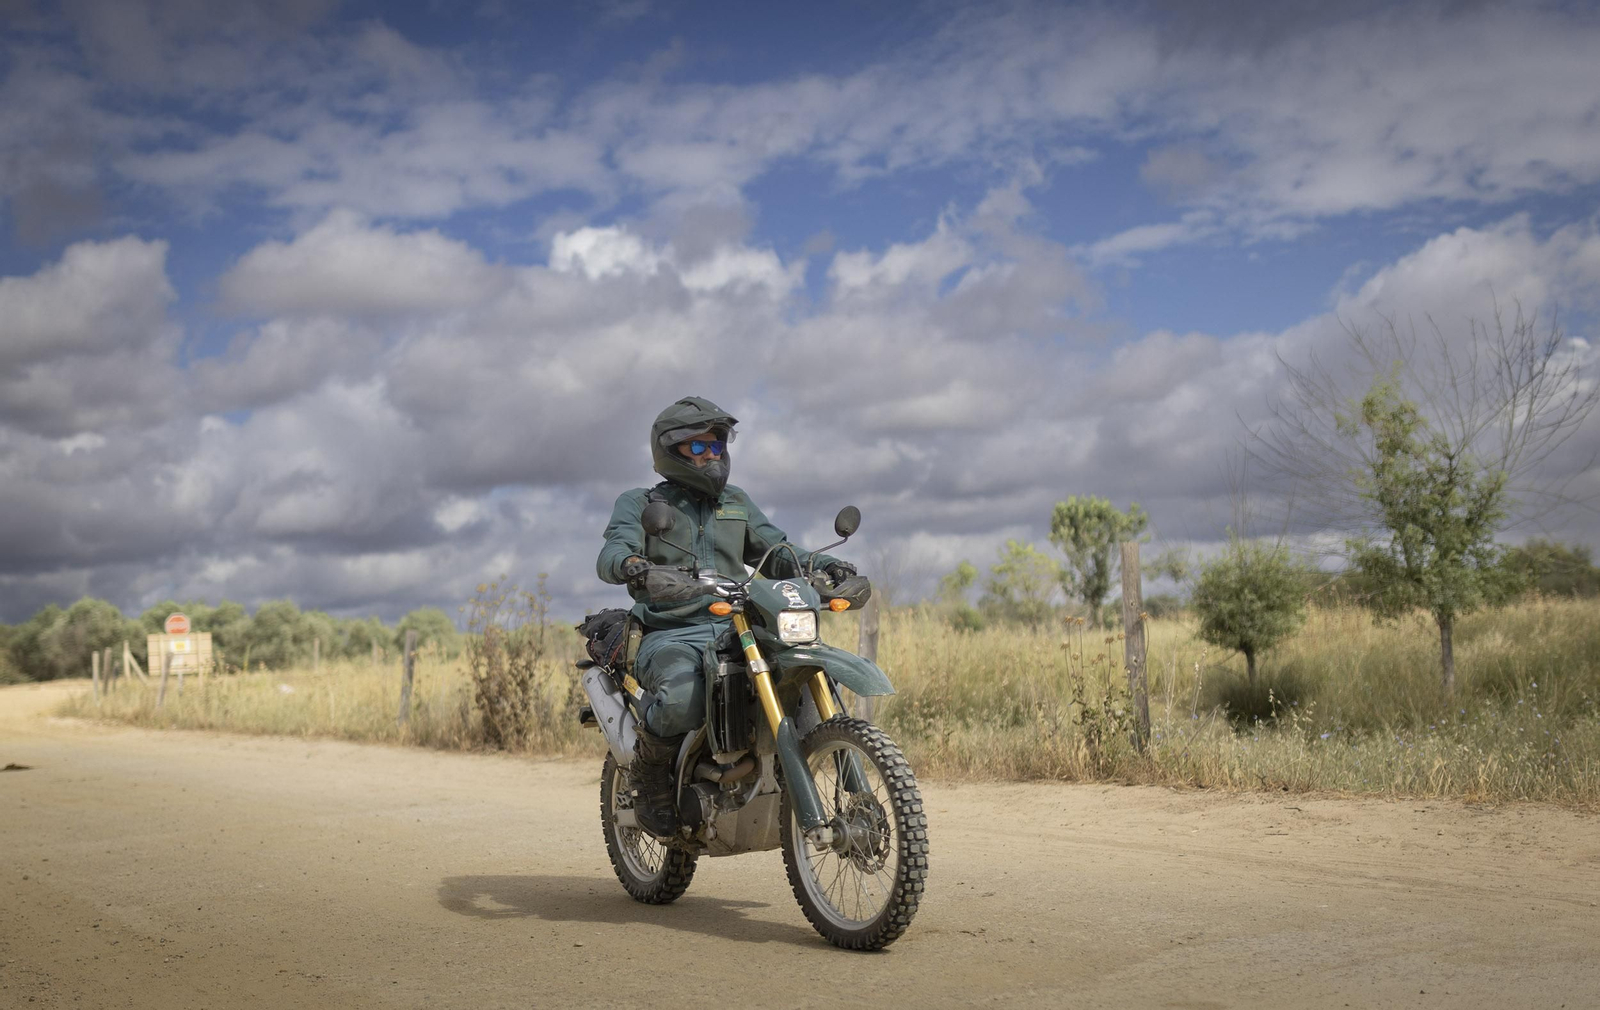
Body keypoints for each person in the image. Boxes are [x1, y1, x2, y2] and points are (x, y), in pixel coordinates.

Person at [597, 395, 856, 836]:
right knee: (682, 699)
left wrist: (822, 566)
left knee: (808, 672)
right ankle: (651, 780)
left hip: (739, 624)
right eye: (698, 447)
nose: (711, 455)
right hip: (673, 630)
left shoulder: (736, 502)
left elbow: (778, 551)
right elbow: (613, 552)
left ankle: (845, 778)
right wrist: (634, 567)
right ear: (670, 450)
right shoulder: (641, 502)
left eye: (716, 445)